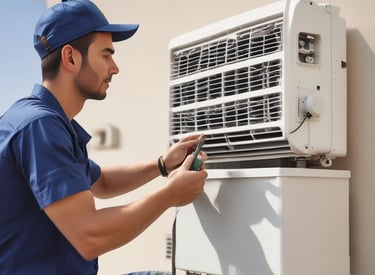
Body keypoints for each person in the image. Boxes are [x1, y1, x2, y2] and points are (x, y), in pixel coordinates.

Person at [0, 1, 207, 275]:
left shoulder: (49, 121)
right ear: (71, 58)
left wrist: (162, 165)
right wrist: (170, 195)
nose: (115, 68)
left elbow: (101, 182)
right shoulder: (40, 126)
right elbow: (89, 237)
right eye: (106, 55)